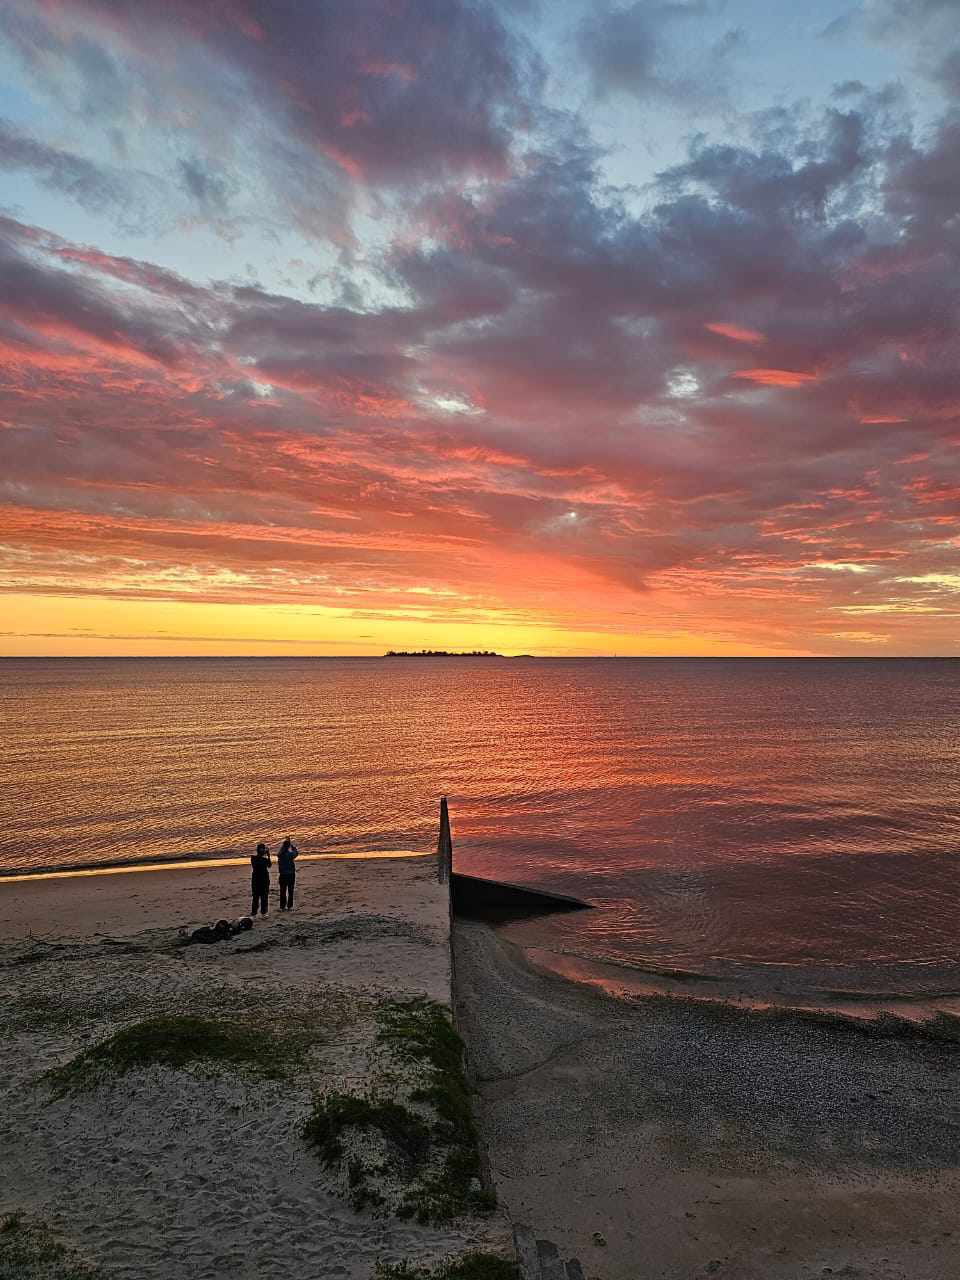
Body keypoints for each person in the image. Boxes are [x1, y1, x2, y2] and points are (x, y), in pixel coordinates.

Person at [277, 836, 299, 911]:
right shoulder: (289, 855)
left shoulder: (280, 855)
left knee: (282, 891)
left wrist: (287, 844)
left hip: (282, 875)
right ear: (287, 847)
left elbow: (282, 850)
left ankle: (282, 907)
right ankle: (289, 906)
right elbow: (296, 853)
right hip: (290, 874)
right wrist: (292, 847)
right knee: (290, 891)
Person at [250, 842, 271, 916]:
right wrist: (266, 855)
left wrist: (268, 856)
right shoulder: (254, 858)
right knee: (257, 897)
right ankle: (255, 912)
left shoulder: (258, 859)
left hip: (261, 879)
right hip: (258, 879)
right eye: (262, 849)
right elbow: (267, 865)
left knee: (263, 897)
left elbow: (269, 865)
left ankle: (262, 912)